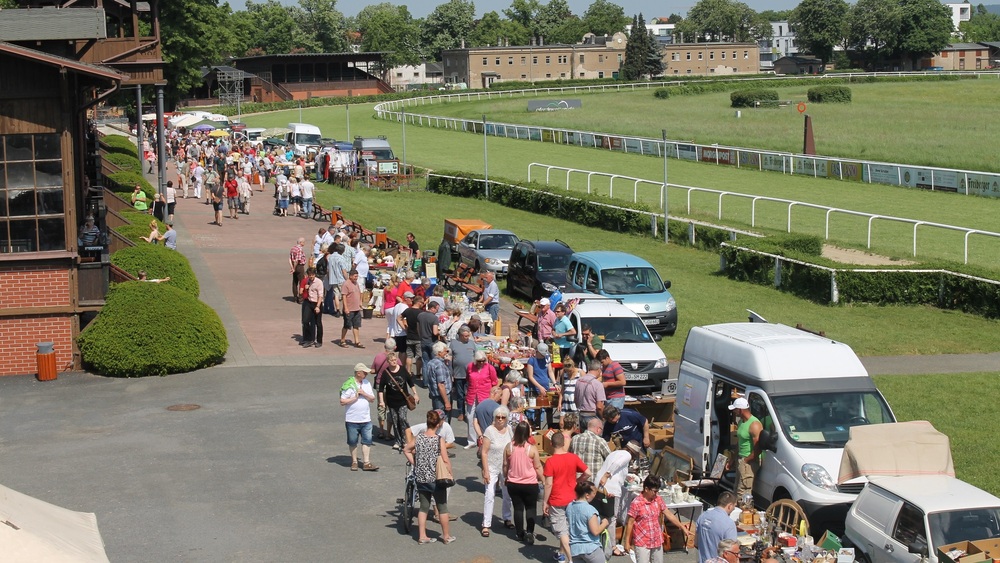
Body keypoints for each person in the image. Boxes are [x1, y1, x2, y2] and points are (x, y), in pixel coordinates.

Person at [402, 410, 455, 544]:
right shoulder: (438, 440)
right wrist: (450, 473)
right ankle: (446, 536)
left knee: (423, 507)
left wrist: (416, 463)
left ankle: (422, 536)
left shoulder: (419, 438)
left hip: (421, 477)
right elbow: (445, 459)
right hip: (436, 478)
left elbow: (406, 450)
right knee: (442, 507)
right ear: (437, 424)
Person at [543, 431, 592, 563]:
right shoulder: (573, 457)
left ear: (551, 444)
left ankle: (571, 559)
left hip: (557, 499)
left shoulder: (550, 461)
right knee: (569, 527)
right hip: (572, 498)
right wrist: (578, 482)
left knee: (562, 530)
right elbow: (588, 473)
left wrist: (545, 502)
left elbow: (548, 484)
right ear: (564, 443)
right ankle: (561, 553)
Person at [623, 476, 693, 563]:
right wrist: (627, 542)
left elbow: (669, 514)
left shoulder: (658, 499)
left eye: (657, 491)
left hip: (656, 540)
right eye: (654, 491)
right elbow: (630, 523)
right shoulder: (636, 503)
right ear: (646, 489)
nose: (656, 494)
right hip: (642, 541)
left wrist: (682, 527)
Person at [596, 440, 643, 558]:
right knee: (612, 517)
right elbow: (616, 465)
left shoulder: (615, 452)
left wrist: (626, 476)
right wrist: (607, 476)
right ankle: (612, 546)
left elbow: (617, 468)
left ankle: (600, 541)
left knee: (601, 514)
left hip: (600, 485)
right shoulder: (626, 455)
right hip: (610, 488)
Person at [480, 405, 513, 537]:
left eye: (503, 417)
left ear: (506, 419)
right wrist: (485, 470)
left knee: (507, 494)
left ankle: (507, 518)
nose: (500, 420)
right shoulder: (489, 431)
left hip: (505, 467)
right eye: (498, 417)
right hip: (492, 466)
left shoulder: (509, 430)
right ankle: (486, 524)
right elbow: (484, 452)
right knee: (489, 494)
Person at [340, 363, 378, 472]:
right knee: (352, 441)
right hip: (352, 419)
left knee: (367, 441)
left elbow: (372, 399)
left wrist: (364, 393)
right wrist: (354, 398)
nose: (366, 374)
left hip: (366, 419)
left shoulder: (366, 383)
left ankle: (366, 462)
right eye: (364, 372)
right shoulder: (349, 384)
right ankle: (354, 461)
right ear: (358, 373)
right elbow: (342, 401)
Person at [378, 352, 419, 451]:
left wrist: (415, 393)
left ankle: (406, 439)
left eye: (395, 360)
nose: (394, 362)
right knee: (395, 421)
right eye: (392, 360)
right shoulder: (386, 372)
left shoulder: (402, 370)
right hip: (392, 401)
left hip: (403, 401)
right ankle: (398, 440)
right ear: (388, 362)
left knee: (402, 418)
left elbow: (410, 382)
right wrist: (381, 401)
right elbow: (380, 388)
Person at [566, 480, 610, 563]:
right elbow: (595, 531)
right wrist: (604, 523)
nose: (595, 495)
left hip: (575, 549)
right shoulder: (590, 510)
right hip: (591, 548)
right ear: (587, 495)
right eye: (594, 493)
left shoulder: (570, 506)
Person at [729, 397, 762, 497]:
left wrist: (747, 460)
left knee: (743, 492)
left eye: (735, 409)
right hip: (741, 458)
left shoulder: (754, 424)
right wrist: (733, 458)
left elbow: (758, 447)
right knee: (736, 489)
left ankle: (744, 511)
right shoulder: (741, 422)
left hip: (749, 461)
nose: (734, 412)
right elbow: (740, 442)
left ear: (740, 410)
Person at [465, 352, 499, 448]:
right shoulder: (470, 367)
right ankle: (471, 441)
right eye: (479, 361)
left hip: (485, 396)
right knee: (470, 417)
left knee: (485, 418)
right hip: (472, 395)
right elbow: (468, 379)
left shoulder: (489, 368)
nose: (481, 363)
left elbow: (494, 382)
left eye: (483, 361)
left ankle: (487, 439)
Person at [695, 492, 739, 563]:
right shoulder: (729, 523)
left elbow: (696, 543)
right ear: (730, 506)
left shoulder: (703, 516)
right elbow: (732, 553)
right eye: (734, 506)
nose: (734, 509)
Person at [448, 326, 476, 422]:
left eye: (468, 336)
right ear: (460, 335)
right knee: (460, 395)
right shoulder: (453, 344)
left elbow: (476, 356)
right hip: (458, 374)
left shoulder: (472, 344)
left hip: (471, 374)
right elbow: (449, 358)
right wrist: (451, 373)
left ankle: (469, 413)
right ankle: (461, 412)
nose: (467, 338)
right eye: (465, 336)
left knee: (469, 394)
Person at [525, 343, 555, 429]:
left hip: (546, 387)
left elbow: (550, 371)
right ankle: (537, 427)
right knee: (537, 409)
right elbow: (530, 376)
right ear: (537, 352)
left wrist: (554, 383)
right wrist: (539, 387)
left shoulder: (547, 358)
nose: (543, 356)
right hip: (535, 388)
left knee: (549, 409)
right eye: (542, 354)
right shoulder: (532, 360)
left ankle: (550, 427)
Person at [372, 340, 396, 441]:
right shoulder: (395, 359)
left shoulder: (378, 357)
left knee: (381, 407)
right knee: (391, 408)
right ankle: (388, 432)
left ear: (384, 346)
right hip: (391, 386)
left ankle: (381, 431)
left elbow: (373, 370)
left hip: (379, 385)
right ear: (395, 347)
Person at [575, 360, 607, 430]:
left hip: (581, 415)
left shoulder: (579, 381)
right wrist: (603, 418)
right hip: (592, 416)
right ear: (599, 370)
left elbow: (576, 399)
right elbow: (599, 406)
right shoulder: (598, 384)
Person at [339, 269, 365, 348]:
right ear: (350, 276)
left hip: (356, 309)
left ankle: (357, 341)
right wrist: (346, 308)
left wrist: (360, 302)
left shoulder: (356, 283)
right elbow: (344, 296)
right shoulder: (346, 284)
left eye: (357, 276)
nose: (356, 278)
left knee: (356, 325)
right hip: (349, 309)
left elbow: (359, 293)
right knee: (346, 326)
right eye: (355, 276)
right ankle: (342, 340)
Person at [424, 342, 452, 414]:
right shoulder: (439, 365)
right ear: (439, 353)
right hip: (442, 397)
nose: (447, 352)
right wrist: (446, 402)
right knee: (443, 419)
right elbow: (441, 385)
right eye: (445, 351)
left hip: (435, 395)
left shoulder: (431, 363)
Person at [301, 266, 324, 348]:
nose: (311, 276)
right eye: (310, 275)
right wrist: (305, 289)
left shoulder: (319, 282)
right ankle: (308, 339)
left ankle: (319, 341)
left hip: (317, 303)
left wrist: (318, 306)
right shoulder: (307, 281)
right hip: (309, 302)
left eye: (312, 275)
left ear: (315, 274)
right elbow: (302, 292)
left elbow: (321, 295)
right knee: (305, 321)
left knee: (318, 323)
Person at [289, 238, 307, 304]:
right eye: (304, 242)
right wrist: (294, 268)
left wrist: (292, 267)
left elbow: (290, 259)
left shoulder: (293, 248)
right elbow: (297, 260)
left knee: (295, 282)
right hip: (299, 266)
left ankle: (295, 297)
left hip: (294, 265)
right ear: (301, 242)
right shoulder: (299, 249)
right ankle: (300, 298)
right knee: (302, 282)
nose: (304, 243)